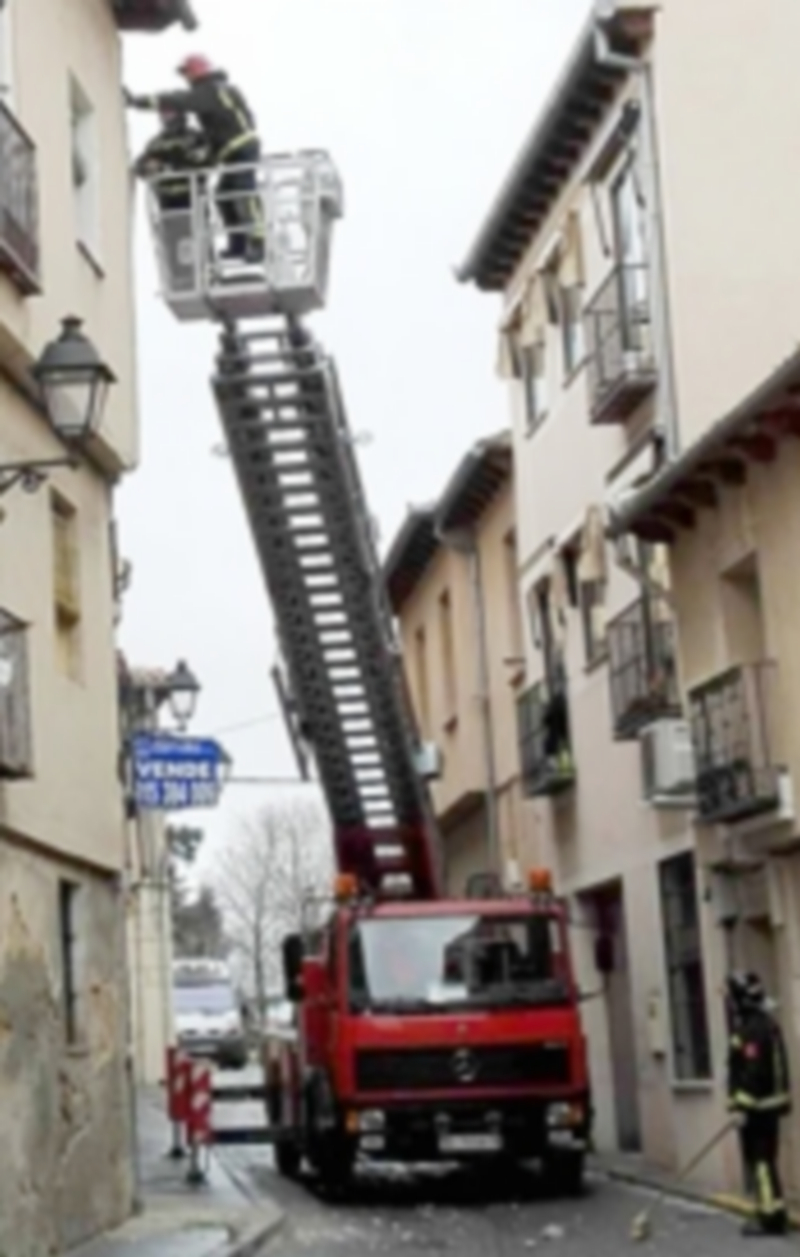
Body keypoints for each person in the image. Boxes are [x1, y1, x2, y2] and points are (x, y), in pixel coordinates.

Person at [126, 56, 264, 262]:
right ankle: (239, 245)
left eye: (187, 73)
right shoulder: (223, 89)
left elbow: (176, 100)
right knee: (224, 194)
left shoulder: (208, 92)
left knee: (243, 189)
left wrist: (137, 102)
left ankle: (258, 241)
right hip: (235, 148)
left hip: (238, 148)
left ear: (197, 72)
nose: (186, 78)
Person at [726, 971, 791, 1237]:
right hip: (769, 1106)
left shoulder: (751, 1030)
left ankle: (769, 1219)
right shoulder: (768, 1024)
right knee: (768, 1162)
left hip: (758, 1108)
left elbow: (753, 1071)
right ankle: (775, 1209)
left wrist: (741, 1105)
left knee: (762, 1163)